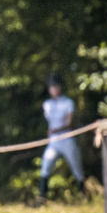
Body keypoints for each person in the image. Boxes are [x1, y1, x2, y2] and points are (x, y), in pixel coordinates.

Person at [38, 73, 86, 203]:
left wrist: (56, 130)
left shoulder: (68, 103)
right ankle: (42, 197)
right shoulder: (47, 104)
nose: (54, 89)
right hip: (54, 141)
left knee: (76, 168)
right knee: (46, 164)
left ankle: (84, 196)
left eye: (56, 86)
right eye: (52, 87)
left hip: (67, 139)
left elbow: (69, 123)